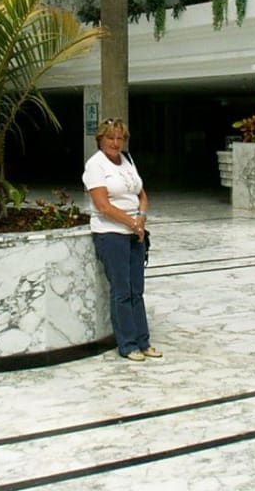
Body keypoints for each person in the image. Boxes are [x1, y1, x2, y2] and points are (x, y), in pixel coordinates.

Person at [82, 118, 162, 362]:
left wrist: (141, 218)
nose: (115, 143)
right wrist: (132, 223)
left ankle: (143, 341)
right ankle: (127, 344)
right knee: (121, 291)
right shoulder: (95, 165)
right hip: (111, 233)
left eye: (119, 138)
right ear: (100, 139)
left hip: (134, 232)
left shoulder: (128, 160)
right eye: (110, 138)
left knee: (137, 290)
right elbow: (103, 205)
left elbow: (141, 195)